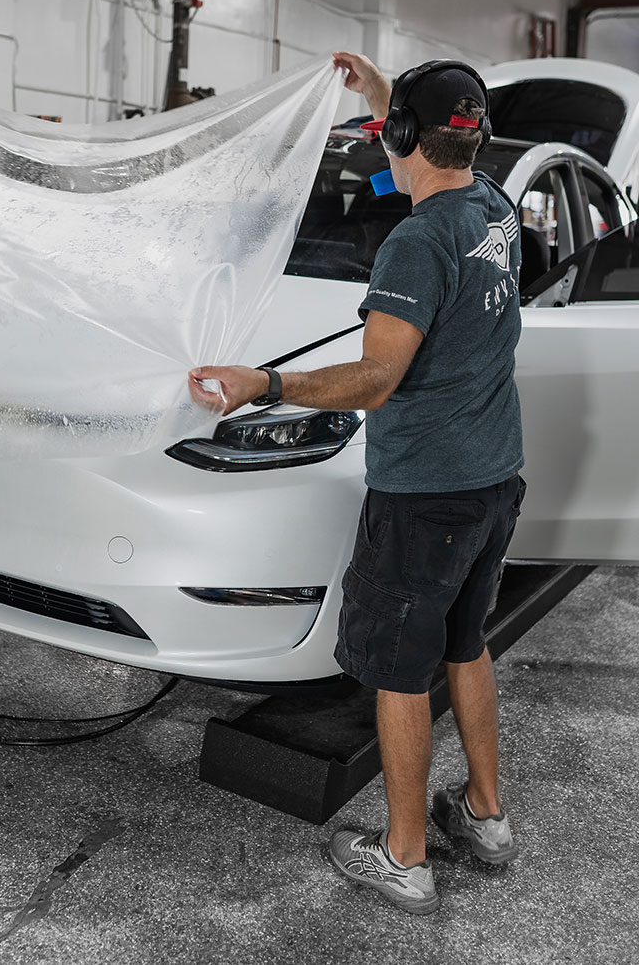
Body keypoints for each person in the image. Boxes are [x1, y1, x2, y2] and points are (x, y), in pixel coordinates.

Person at [189, 50, 525, 916]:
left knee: (401, 674)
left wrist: (264, 384)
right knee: (467, 643)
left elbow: (376, 380)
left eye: (392, 132)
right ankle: (486, 818)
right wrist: (385, 99)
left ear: (411, 138)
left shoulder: (417, 244)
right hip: (491, 482)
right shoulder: (491, 208)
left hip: (425, 499)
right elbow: (429, 159)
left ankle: (405, 858)